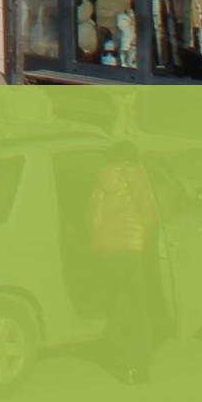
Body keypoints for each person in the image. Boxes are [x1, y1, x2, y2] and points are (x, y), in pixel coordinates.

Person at [83, 146, 166, 386]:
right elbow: (148, 210)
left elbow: (90, 217)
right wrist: (154, 239)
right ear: (131, 158)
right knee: (141, 309)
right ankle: (137, 367)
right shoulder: (134, 174)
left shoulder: (100, 181)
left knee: (119, 302)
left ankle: (116, 347)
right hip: (132, 249)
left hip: (106, 252)